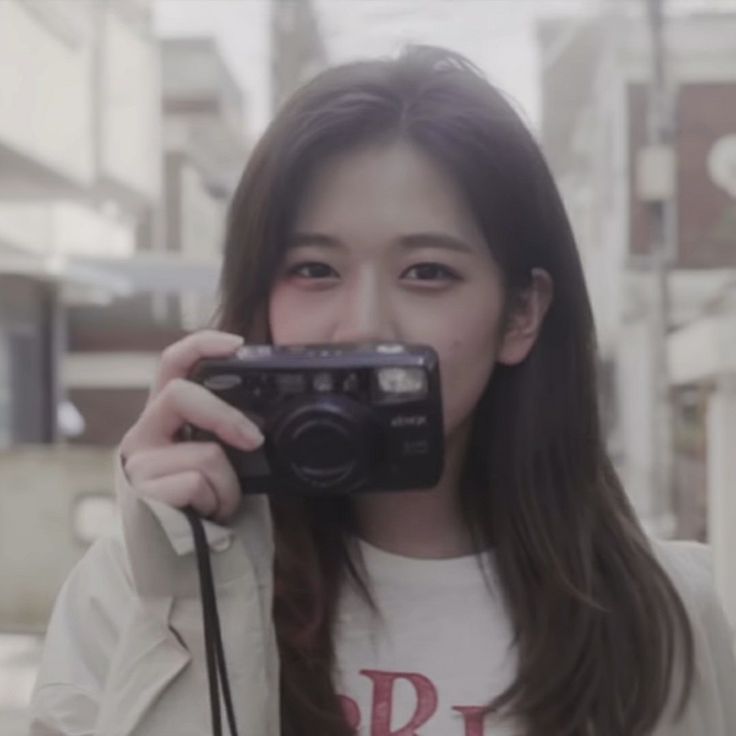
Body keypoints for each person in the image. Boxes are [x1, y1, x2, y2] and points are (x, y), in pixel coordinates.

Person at [29, 46, 736, 736]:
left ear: (521, 313)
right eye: (313, 270)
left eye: (427, 272)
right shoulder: (136, 585)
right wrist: (187, 595)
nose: (362, 325)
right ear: (260, 295)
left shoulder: (670, 612)